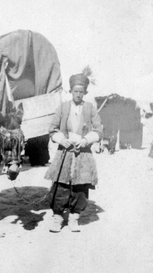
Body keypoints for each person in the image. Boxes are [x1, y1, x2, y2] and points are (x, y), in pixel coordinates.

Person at [44, 72, 102, 232]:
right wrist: (62, 139)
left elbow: (98, 130)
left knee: (80, 187)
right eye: (75, 91)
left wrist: (86, 140)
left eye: (81, 91)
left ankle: (74, 218)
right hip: (65, 152)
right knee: (60, 185)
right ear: (71, 91)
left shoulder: (90, 108)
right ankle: (57, 218)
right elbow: (52, 129)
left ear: (85, 93)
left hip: (83, 154)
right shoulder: (63, 107)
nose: (78, 94)